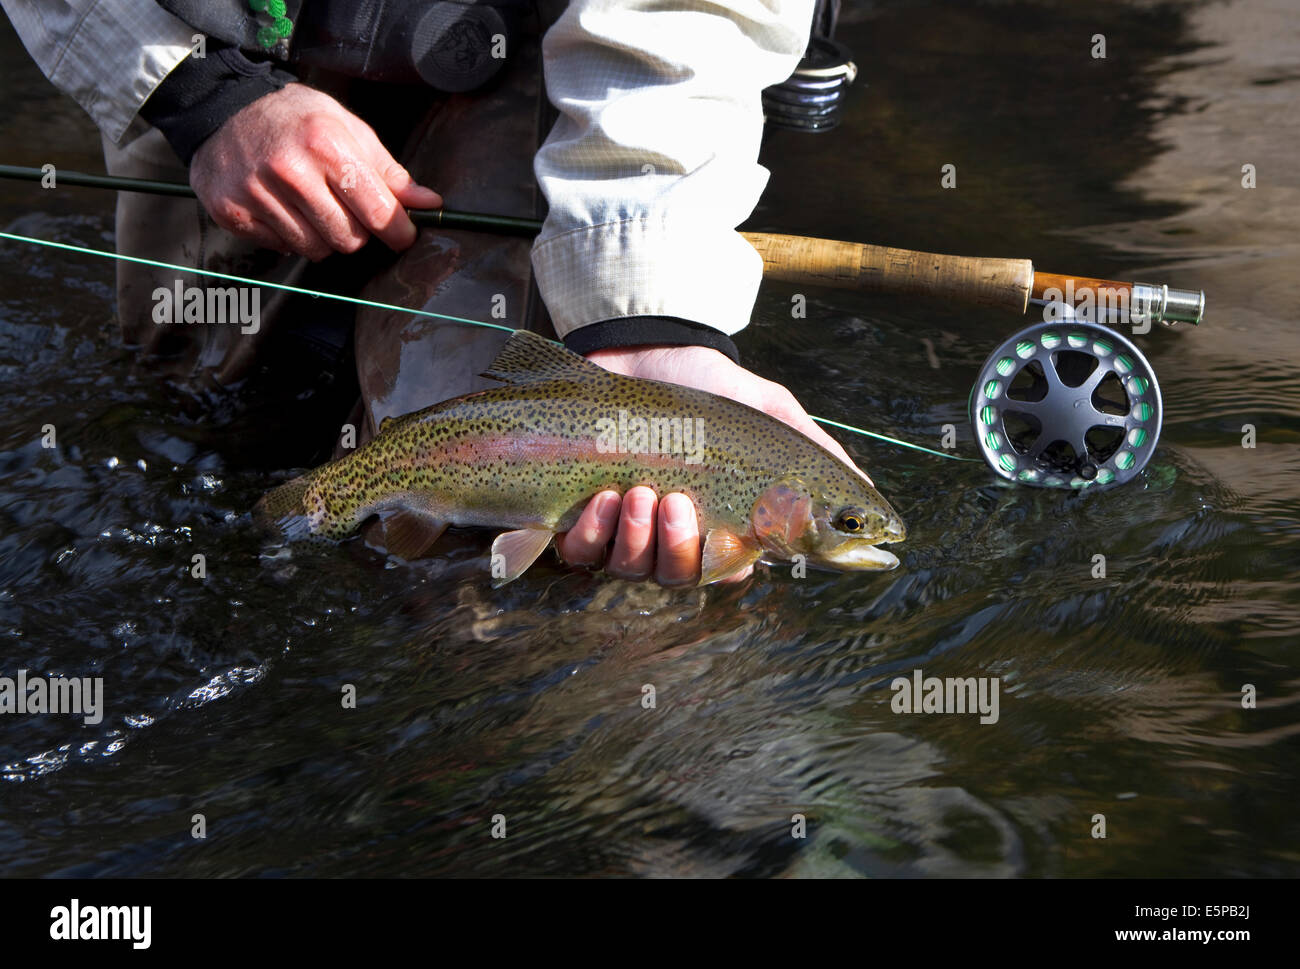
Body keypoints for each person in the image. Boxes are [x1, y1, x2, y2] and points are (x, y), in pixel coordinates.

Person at [2, 0, 870, 586]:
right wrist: (192, 92)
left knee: (468, 583)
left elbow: (679, 25)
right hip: (189, 25)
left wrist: (646, 313)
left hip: (560, 51)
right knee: (192, 398)